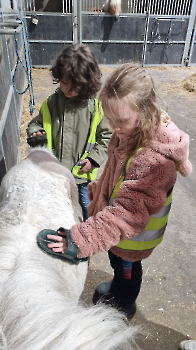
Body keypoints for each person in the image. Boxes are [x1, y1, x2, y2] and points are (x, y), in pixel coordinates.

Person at [37, 62, 192, 318]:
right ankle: (119, 285)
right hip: (118, 233)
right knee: (117, 262)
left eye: (120, 120)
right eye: (109, 118)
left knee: (127, 268)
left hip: (133, 237)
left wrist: (79, 240)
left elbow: (128, 214)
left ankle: (123, 303)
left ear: (144, 111)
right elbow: (117, 172)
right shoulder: (130, 132)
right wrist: (98, 191)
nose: (114, 127)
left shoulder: (154, 160)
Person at [27, 44, 112, 221]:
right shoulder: (52, 103)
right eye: (64, 82)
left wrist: (94, 160)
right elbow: (36, 123)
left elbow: (107, 136)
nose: (68, 89)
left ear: (87, 81)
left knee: (86, 208)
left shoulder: (97, 106)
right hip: (54, 173)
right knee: (55, 207)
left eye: (75, 85)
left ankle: (87, 238)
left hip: (82, 175)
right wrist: (35, 133)